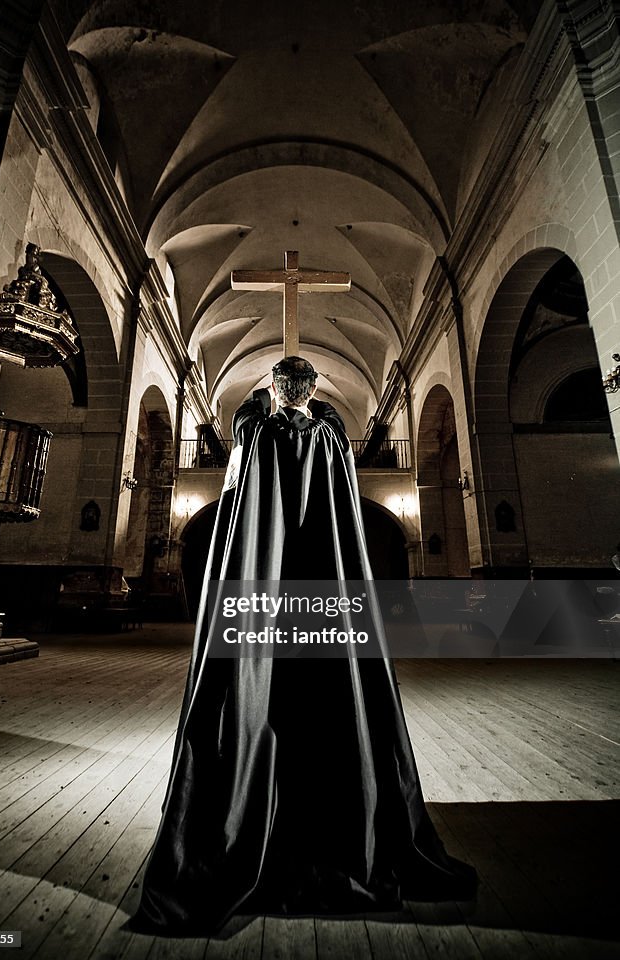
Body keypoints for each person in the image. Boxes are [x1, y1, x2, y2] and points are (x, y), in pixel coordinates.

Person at [131, 356, 476, 935]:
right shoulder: (313, 437)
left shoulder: (269, 435)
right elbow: (324, 527)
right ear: (298, 389)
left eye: (289, 384)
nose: (290, 391)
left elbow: (242, 515)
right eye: (293, 385)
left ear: (288, 388)